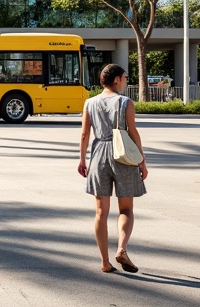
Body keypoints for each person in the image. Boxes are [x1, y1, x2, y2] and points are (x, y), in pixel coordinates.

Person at [78, 63, 148, 274]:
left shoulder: (89, 103)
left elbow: (84, 134)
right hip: (122, 154)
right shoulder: (126, 103)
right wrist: (142, 162)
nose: (126, 81)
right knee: (126, 208)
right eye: (125, 77)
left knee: (101, 211)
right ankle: (121, 249)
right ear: (116, 79)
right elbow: (133, 133)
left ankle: (105, 262)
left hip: (98, 154)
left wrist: (82, 160)